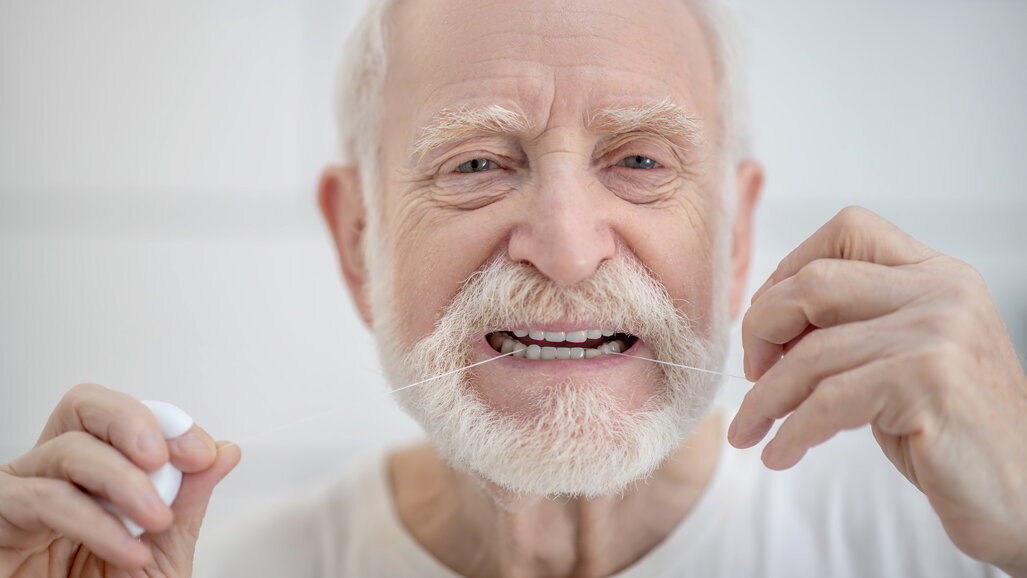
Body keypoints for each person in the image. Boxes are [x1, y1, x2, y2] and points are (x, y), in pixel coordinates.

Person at [2, 0, 1025, 576]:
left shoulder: (936, 543)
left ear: (737, 232)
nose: (568, 249)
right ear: (360, 239)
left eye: (638, 161)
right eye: (478, 163)